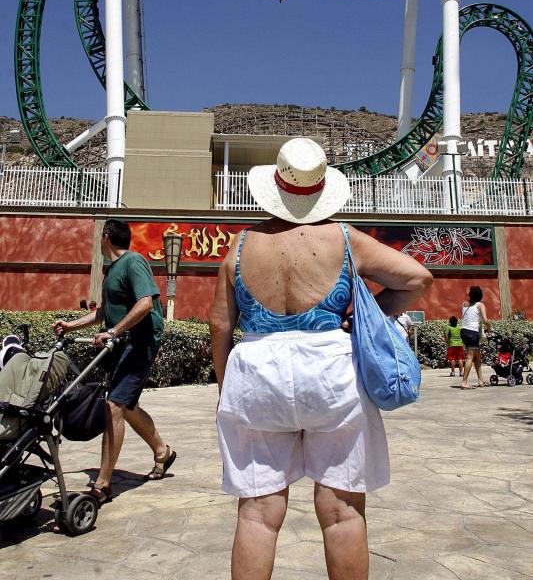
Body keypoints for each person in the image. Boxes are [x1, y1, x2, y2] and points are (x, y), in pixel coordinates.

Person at [209, 138, 433, 580]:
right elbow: (418, 278)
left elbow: (220, 325)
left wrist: (223, 389)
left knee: (257, 513)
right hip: (331, 373)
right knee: (341, 511)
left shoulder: (239, 247)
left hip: (257, 374)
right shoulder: (345, 239)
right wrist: (371, 312)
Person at [53, 218, 175, 503]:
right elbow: (103, 314)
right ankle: (162, 452)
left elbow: (145, 302)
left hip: (139, 343)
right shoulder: (112, 271)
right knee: (126, 405)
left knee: (114, 405)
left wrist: (114, 331)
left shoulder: (134, 262)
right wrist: (71, 325)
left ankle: (104, 483)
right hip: (121, 343)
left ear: (106, 236)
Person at [460, 286, 491, 389]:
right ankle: (464, 382)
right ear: (480, 295)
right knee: (470, 357)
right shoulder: (480, 305)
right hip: (472, 332)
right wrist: (489, 327)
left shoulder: (464, 304)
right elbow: (485, 320)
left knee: (477, 357)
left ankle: (480, 380)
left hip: (463, 331)